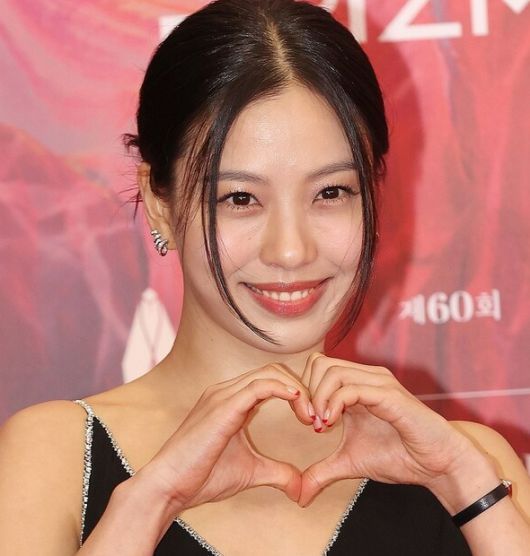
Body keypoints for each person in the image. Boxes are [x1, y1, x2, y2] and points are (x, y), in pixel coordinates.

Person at [1, 0, 529, 554]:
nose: (291, 250)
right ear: (161, 205)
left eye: (331, 192)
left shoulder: (470, 464)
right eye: (240, 198)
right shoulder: (56, 457)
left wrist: (467, 485)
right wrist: (150, 500)